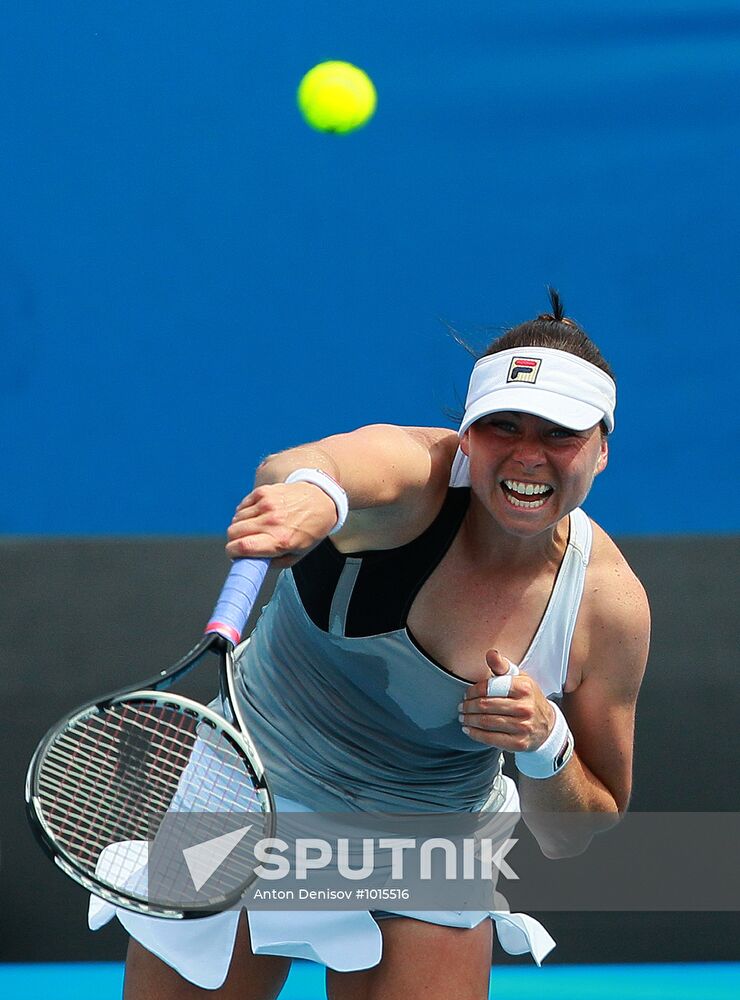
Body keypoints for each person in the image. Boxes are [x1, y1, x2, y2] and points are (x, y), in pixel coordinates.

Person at [114, 290, 650, 1000]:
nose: (527, 456)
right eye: (502, 427)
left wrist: (547, 746)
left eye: (560, 434)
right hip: (250, 780)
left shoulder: (607, 607)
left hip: (430, 829)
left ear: (603, 449)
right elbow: (308, 466)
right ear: (465, 436)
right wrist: (314, 497)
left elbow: (575, 831)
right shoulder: (416, 478)